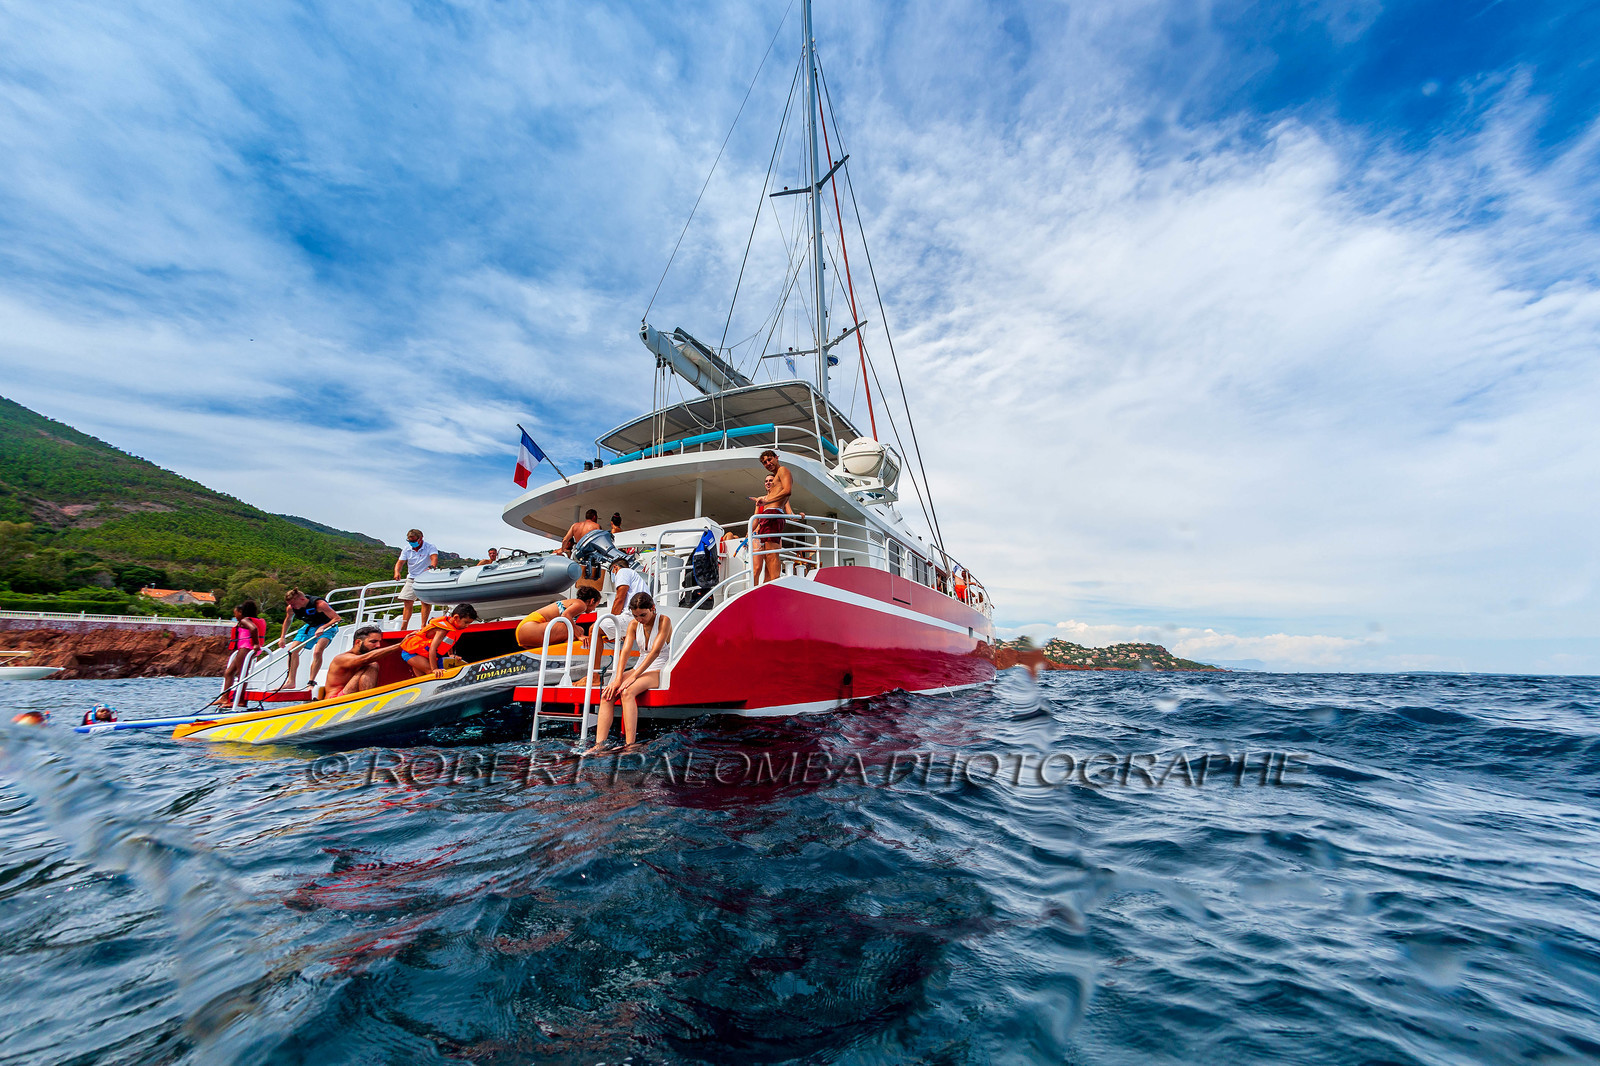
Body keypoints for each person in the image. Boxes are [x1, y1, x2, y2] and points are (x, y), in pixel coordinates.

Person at [584, 591, 672, 753]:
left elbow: (655, 652)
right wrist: (617, 679)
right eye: (636, 616)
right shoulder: (633, 624)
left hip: (660, 666)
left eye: (643, 615)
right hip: (641, 665)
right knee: (608, 693)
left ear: (653, 608)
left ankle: (630, 745)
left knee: (627, 691)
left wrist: (634, 676)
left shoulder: (664, 621)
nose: (640, 619)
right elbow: (624, 652)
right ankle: (599, 745)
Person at [282, 589, 342, 689]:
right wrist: (282, 637)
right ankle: (291, 682)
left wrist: (323, 627)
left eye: (293, 604)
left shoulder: (319, 604)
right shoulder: (291, 608)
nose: (292, 607)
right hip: (311, 626)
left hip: (328, 626)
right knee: (292, 651)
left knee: (317, 652)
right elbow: (288, 620)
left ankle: (311, 682)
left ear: (302, 599)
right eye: (290, 604)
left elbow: (337, 618)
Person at [399, 604, 479, 677]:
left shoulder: (454, 627)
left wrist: (450, 654)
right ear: (456, 617)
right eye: (466, 622)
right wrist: (434, 669)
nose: (467, 626)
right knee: (431, 672)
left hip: (423, 653)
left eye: (469, 623)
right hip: (412, 652)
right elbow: (433, 648)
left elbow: (448, 641)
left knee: (421, 677)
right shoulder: (442, 630)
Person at [514, 587, 602, 650]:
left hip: (524, 631)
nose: (594, 609)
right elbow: (565, 615)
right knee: (579, 630)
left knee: (573, 635)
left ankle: (565, 655)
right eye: (596, 605)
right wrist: (580, 635)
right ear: (592, 601)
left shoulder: (572, 603)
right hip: (530, 627)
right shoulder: (581, 604)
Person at [324, 626, 401, 696]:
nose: (378, 645)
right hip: (336, 699)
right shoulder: (341, 658)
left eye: (379, 642)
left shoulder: (364, 658)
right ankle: (367, 699)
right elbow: (365, 659)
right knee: (372, 664)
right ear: (358, 642)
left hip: (353, 696)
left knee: (371, 664)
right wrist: (400, 645)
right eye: (373, 642)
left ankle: (367, 699)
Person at [220, 600, 267, 699]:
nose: (235, 616)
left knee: (241, 674)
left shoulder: (245, 620)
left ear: (241, 612)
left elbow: (253, 629)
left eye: (235, 613)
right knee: (229, 672)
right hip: (245, 649)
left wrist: (255, 644)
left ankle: (241, 700)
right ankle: (224, 699)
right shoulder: (256, 620)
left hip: (246, 648)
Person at [394, 529, 439, 631]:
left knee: (425, 602)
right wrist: (397, 572)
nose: (412, 543)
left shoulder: (430, 547)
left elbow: (434, 558)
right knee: (407, 601)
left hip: (425, 577)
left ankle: (423, 625)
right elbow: (400, 562)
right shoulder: (407, 549)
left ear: (420, 539)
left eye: (413, 541)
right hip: (412, 577)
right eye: (409, 541)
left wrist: (432, 566)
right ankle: (404, 627)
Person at [749, 473, 787, 586]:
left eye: (771, 480)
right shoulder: (760, 499)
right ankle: (753, 590)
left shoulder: (781, 497)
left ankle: (768, 588)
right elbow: (756, 518)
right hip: (760, 534)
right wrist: (749, 532)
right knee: (757, 567)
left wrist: (799, 515)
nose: (768, 482)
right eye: (766, 481)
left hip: (773, 532)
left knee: (769, 564)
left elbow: (789, 513)